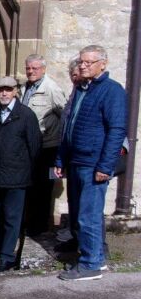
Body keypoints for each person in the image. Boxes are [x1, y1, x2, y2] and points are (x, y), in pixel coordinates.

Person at [54, 45, 127, 281]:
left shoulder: (111, 90)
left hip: (93, 164)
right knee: (80, 214)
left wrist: (105, 167)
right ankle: (91, 257)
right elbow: (70, 127)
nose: (83, 65)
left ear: (103, 64)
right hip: (76, 161)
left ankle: (92, 264)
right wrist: (61, 159)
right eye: (81, 62)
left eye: (88, 62)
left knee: (89, 215)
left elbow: (116, 130)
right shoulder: (82, 89)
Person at [0, 77, 41, 271]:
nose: (4, 93)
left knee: (11, 217)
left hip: (17, 178)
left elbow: (35, 147)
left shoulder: (26, 115)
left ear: (16, 91)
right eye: (1, 89)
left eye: (8, 89)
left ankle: (7, 257)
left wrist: (27, 173)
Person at [20, 54, 67, 236]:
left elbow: (64, 115)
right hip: (28, 147)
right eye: (28, 68)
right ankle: (27, 223)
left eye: (35, 68)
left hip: (47, 147)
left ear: (43, 69)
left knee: (43, 188)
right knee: (29, 185)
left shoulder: (51, 89)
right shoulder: (25, 88)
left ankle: (39, 227)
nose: (31, 71)